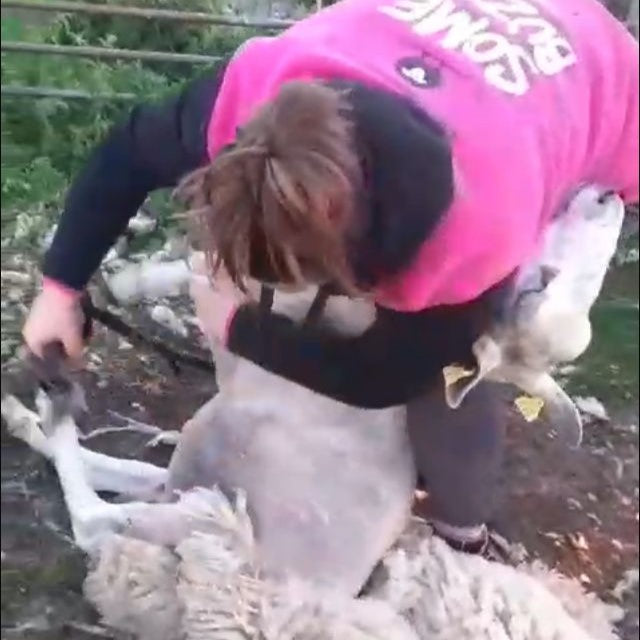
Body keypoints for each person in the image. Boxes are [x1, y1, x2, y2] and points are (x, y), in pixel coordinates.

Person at [23, 0, 639, 557]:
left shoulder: (481, 228)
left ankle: (462, 531)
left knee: (461, 374)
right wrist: (60, 289)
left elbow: (392, 372)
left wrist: (240, 329)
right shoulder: (259, 88)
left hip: (598, 83)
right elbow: (128, 153)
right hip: (432, 44)